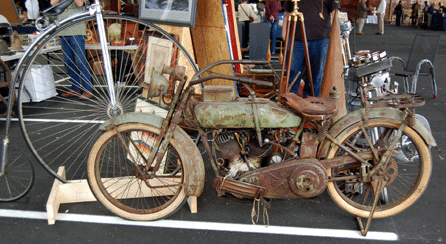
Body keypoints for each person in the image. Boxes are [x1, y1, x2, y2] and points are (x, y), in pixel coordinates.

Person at [282, 0, 341, 97]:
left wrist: (335, 33)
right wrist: (284, 30)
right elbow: (287, 10)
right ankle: (290, 101)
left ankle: (311, 102)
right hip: (296, 38)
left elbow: (335, 12)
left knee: (316, 74)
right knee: (292, 72)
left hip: (320, 39)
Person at [52, 0, 92, 99]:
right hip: (63, 31)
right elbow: (53, 3)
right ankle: (75, 87)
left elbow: (80, 3)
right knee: (68, 62)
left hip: (77, 30)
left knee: (80, 61)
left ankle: (87, 89)